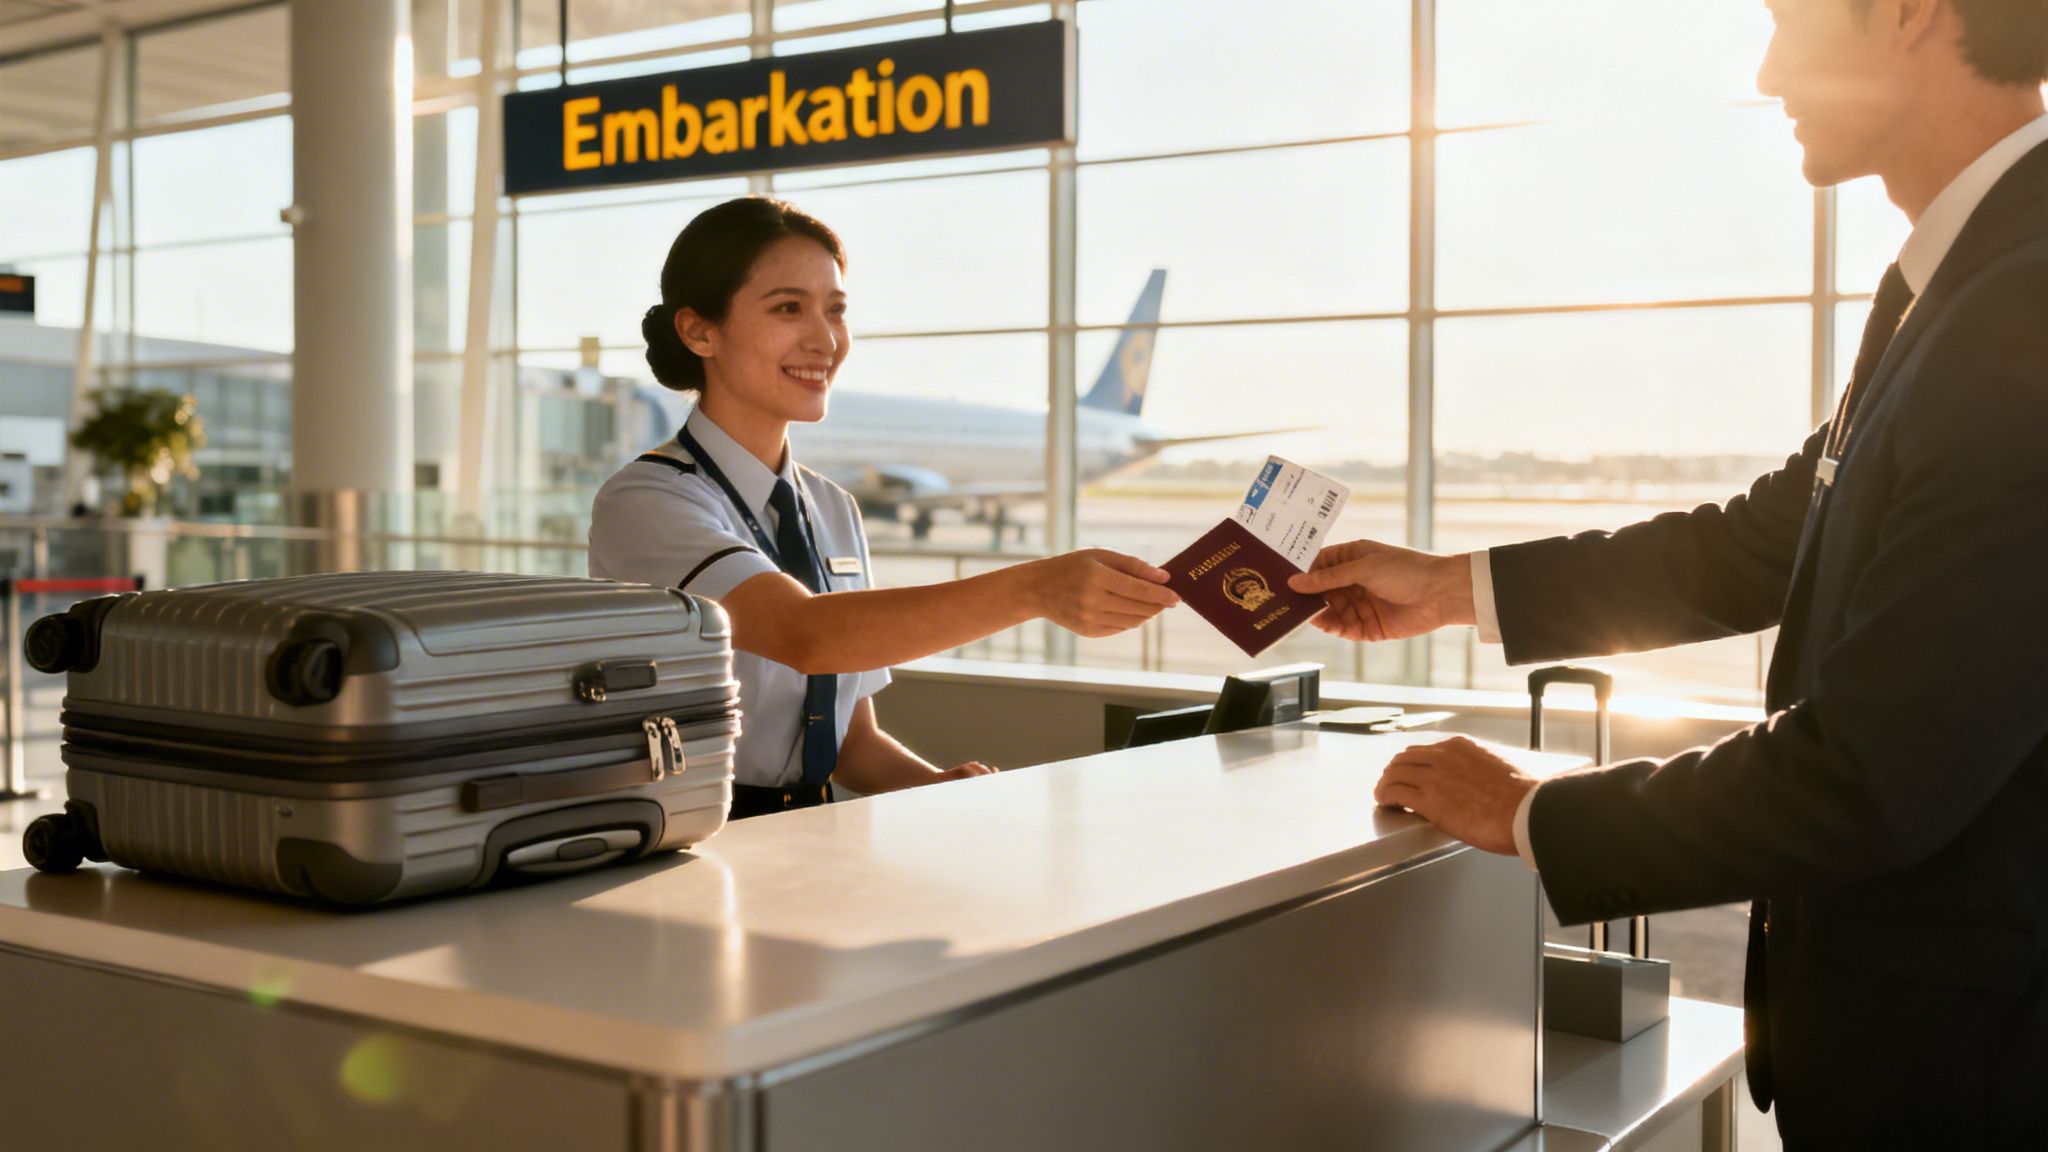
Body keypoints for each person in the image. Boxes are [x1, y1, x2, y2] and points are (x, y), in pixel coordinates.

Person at [1290, 1, 2048, 1145]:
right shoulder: (1950, 285)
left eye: (1788, 19)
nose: (1763, 70)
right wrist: (1448, 587)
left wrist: (1533, 814)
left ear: (1904, 13)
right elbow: (1761, 540)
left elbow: (1870, 771)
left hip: (1975, 1080)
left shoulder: (2022, 300)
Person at [590, 196, 1178, 821]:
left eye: (836, 311)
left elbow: (850, 743)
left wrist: (941, 786)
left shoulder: (831, 507)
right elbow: (805, 634)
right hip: (694, 835)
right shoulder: (648, 501)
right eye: (789, 308)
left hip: (817, 832)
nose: (825, 340)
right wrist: (1036, 588)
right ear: (698, 330)